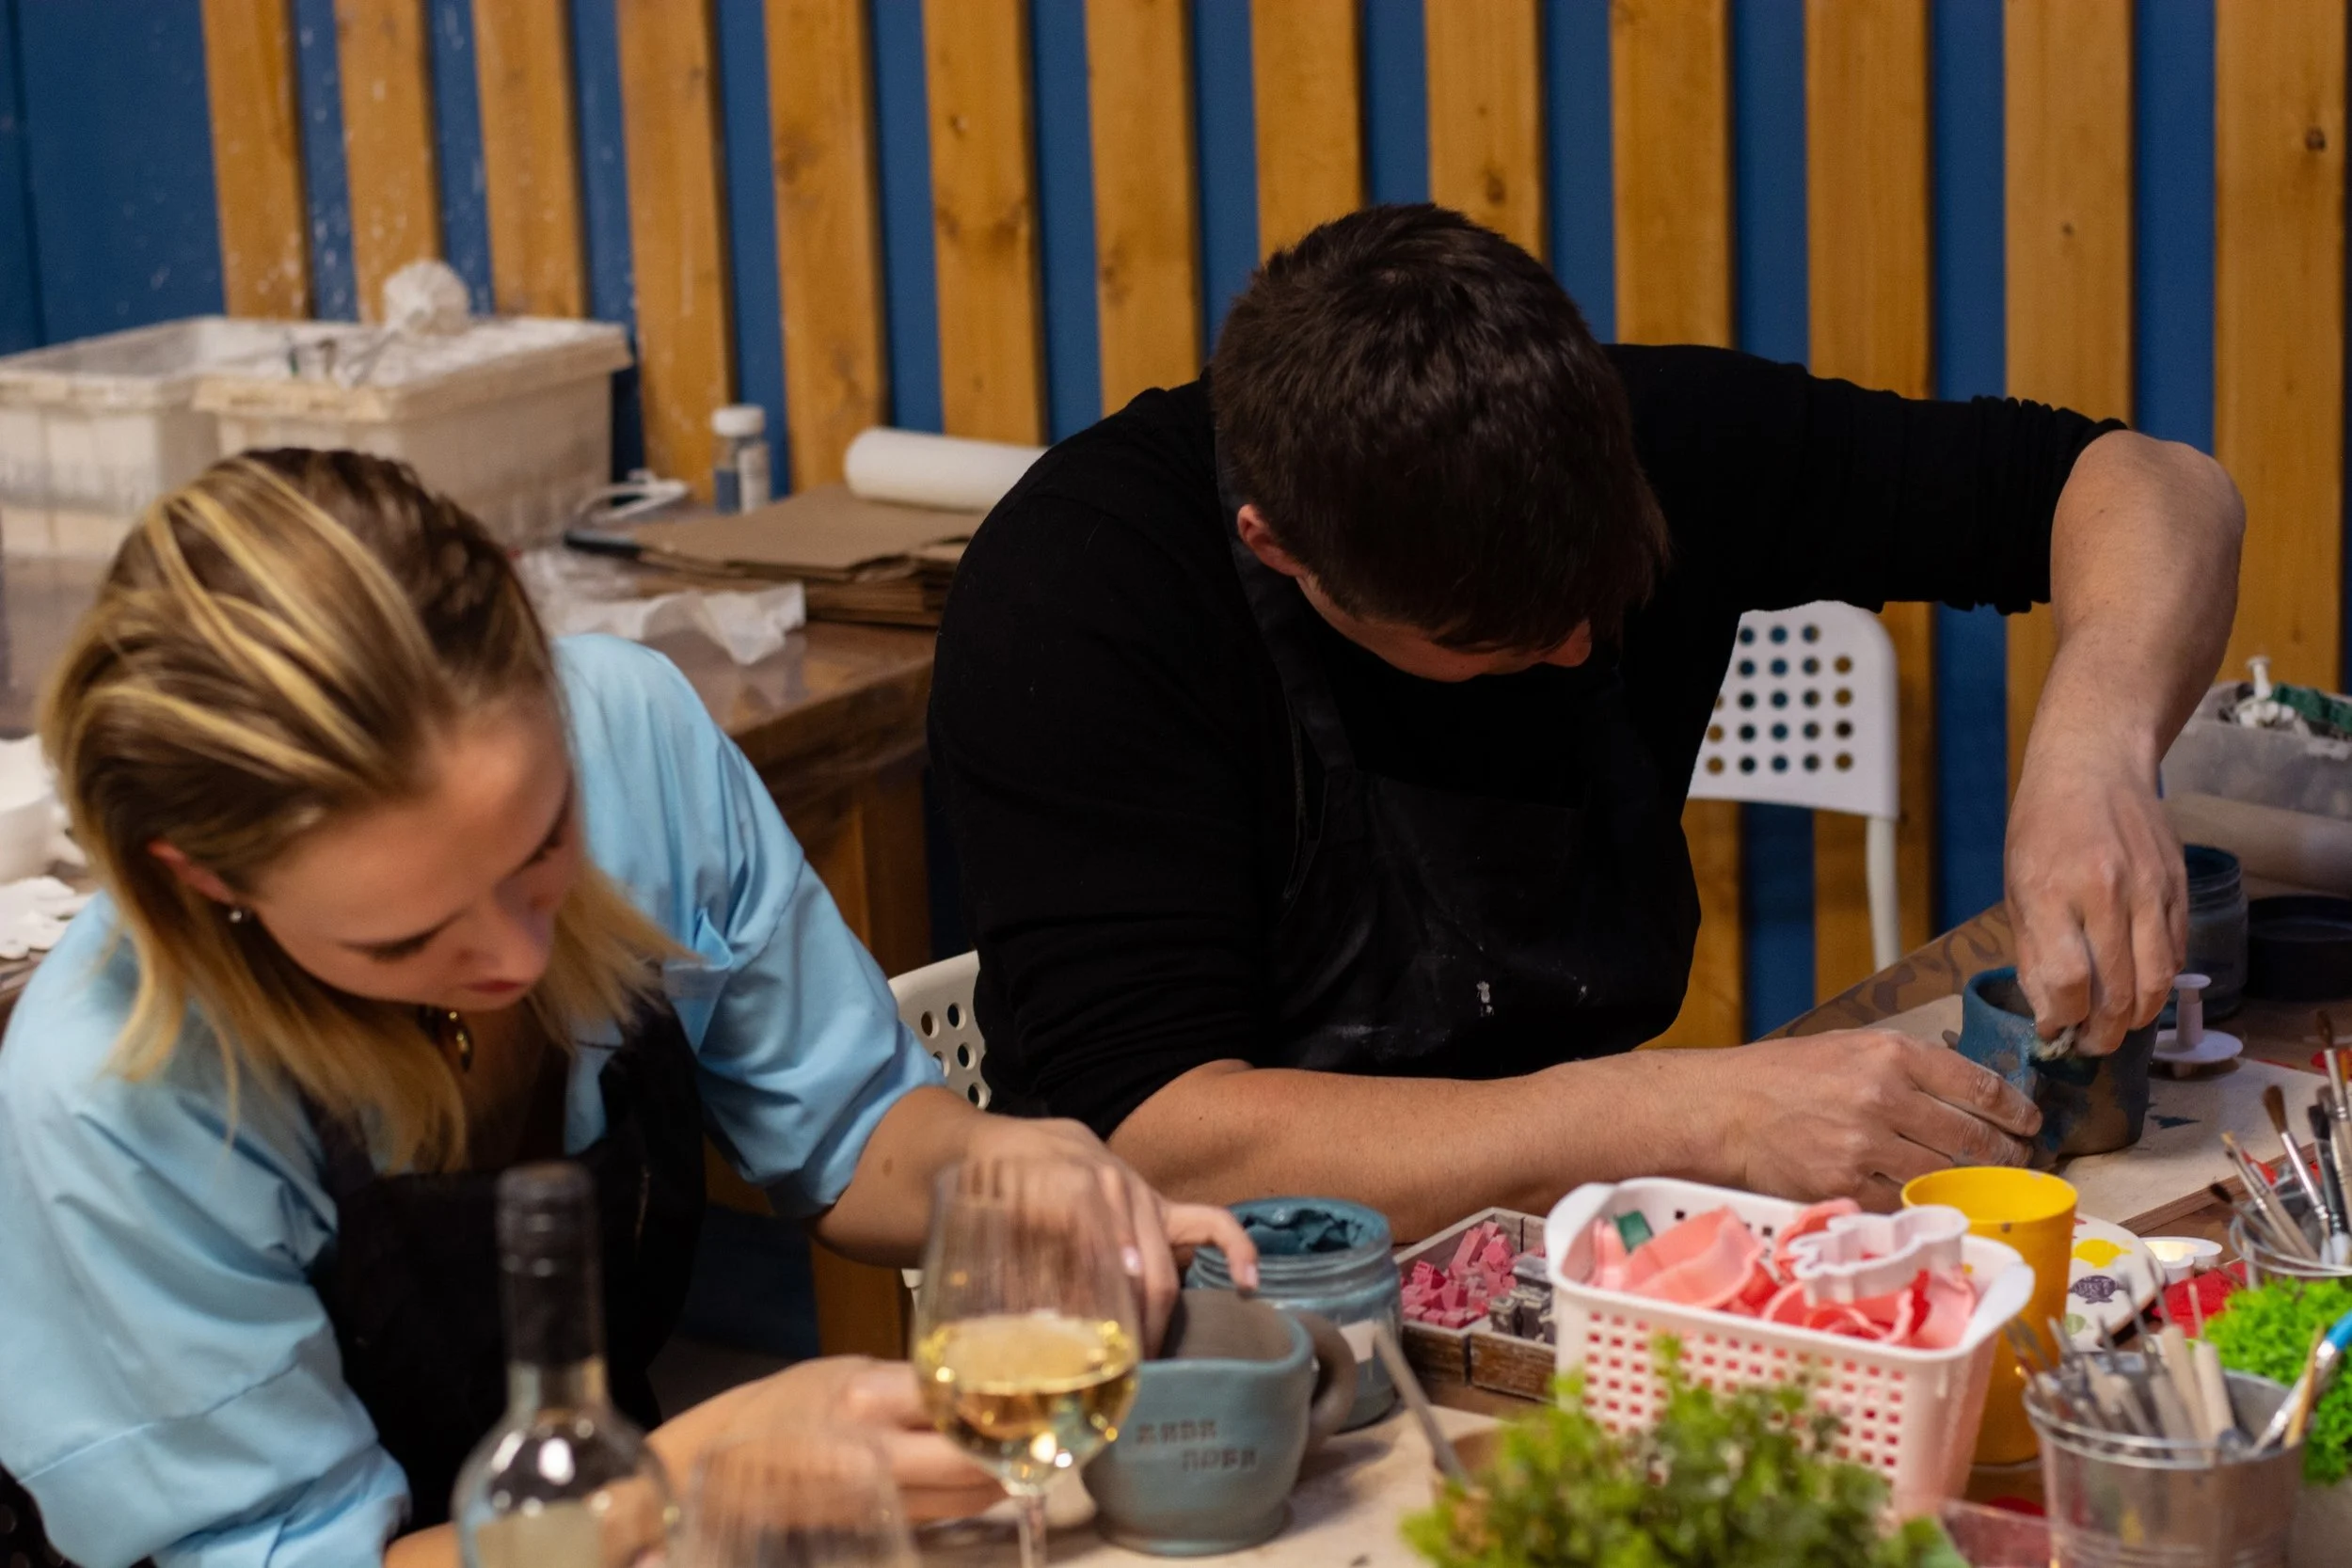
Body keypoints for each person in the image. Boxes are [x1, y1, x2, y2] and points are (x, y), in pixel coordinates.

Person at [0, 450, 1254, 1568]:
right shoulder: (109, 1085)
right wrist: (683, 1482)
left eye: (542, 840)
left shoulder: (634, 730)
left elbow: (852, 1123)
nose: (509, 953)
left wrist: (1002, 1172)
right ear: (204, 877)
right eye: (404, 936)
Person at [930, 203, 2244, 1241]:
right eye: (1502, 641)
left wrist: (2095, 746)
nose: (1575, 646)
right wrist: (1689, 1107)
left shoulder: (1651, 428)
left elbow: (2152, 484)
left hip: (1558, 1240)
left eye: (1601, 593)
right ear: (1284, 554)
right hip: (1202, 1313)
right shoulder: (1084, 593)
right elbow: (1159, 1137)